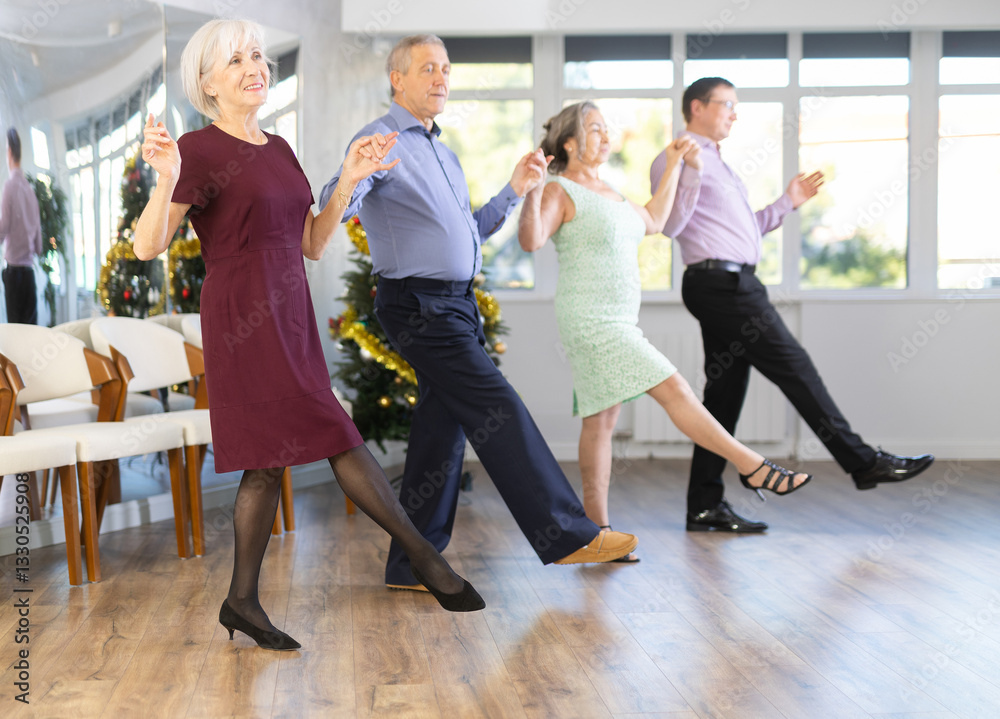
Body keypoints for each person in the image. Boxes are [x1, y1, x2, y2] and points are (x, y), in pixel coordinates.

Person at [134, 19, 485, 652]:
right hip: (241, 318)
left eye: (259, 55)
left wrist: (348, 178)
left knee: (267, 467)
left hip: (289, 310)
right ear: (207, 83)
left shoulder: (279, 148)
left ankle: (241, 600)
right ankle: (424, 559)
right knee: (337, 435)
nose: (255, 66)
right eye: (237, 58)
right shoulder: (198, 148)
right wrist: (165, 177)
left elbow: (313, 244)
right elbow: (147, 245)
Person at [320, 35, 638, 591]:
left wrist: (515, 190)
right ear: (398, 79)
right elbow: (336, 199)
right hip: (417, 304)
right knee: (496, 402)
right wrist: (347, 177)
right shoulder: (379, 138)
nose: (441, 78)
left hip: (457, 304)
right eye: (427, 69)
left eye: (446, 69)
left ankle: (409, 564)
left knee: (442, 428)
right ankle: (565, 532)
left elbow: (470, 233)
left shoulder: (443, 152)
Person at [517, 102, 812, 557]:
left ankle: (599, 534)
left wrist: (674, 163)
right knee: (674, 386)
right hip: (593, 321)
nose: (606, 137)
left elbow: (655, 220)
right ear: (570, 143)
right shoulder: (559, 190)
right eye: (595, 129)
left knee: (601, 419)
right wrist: (533, 191)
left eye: (606, 129)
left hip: (619, 320)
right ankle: (751, 465)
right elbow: (531, 240)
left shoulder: (608, 191)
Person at [650, 77, 934, 533]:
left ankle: (703, 506)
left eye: (736, 107)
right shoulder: (678, 158)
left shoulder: (722, 166)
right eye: (727, 105)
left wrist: (788, 202)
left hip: (734, 281)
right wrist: (691, 171)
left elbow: (742, 233)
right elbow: (670, 224)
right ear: (697, 107)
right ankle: (862, 461)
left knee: (722, 398)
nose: (734, 114)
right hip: (719, 287)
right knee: (794, 365)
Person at [1, 128, 43, 324]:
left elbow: (4, 226)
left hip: (14, 274)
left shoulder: (9, 186)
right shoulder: (30, 191)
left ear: (9, 151)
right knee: (30, 331)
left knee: (16, 336)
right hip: (29, 274)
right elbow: (39, 244)